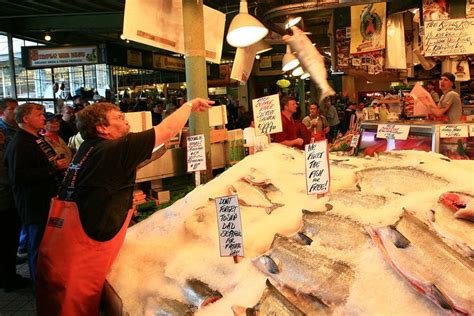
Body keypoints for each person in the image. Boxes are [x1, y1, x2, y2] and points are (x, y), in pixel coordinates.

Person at [35, 97, 213, 315]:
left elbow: (117, 171)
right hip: (80, 255)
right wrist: (190, 106)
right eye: (119, 117)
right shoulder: (113, 149)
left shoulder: (89, 149)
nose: (125, 120)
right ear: (102, 128)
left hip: (60, 249)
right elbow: (166, 129)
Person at [4, 103, 69, 287]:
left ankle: (45, 281)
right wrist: (52, 168)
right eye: (39, 115)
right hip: (34, 204)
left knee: (45, 245)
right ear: (26, 119)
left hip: (45, 200)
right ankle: (39, 286)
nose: (43, 118)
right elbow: (18, 176)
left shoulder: (35, 139)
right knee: (38, 246)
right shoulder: (20, 143)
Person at [0, 98, 30, 292]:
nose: (16, 111)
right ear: (2, 112)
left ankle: (9, 272)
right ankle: (8, 278)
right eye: (12, 109)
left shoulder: (14, 133)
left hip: (12, 197)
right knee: (6, 239)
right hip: (5, 198)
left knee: (10, 239)